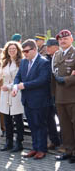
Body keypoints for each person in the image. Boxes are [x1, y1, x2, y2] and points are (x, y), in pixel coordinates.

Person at [12, 39, 51, 159]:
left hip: (39, 100)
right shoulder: (24, 62)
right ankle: (35, 148)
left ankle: (42, 149)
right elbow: (18, 76)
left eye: (27, 51)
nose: (25, 54)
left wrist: (24, 85)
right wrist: (15, 86)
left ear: (34, 50)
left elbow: (42, 80)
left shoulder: (43, 62)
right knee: (32, 125)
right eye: (23, 51)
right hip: (27, 100)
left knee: (40, 125)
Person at [0, 41, 24, 153]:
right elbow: (0, 76)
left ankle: (19, 142)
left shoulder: (21, 62)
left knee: (17, 119)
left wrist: (10, 86)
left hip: (16, 92)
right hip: (5, 94)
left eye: (14, 49)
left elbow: (21, 79)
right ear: (6, 50)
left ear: (18, 50)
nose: (12, 51)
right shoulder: (5, 62)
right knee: (7, 119)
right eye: (10, 49)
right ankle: (8, 142)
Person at [52, 29, 75, 164]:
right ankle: (68, 150)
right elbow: (53, 76)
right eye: (60, 39)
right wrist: (53, 95)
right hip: (60, 97)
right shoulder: (57, 55)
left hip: (73, 97)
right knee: (65, 127)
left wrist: (66, 80)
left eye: (65, 38)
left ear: (71, 39)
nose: (62, 40)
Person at [45, 38, 61, 150]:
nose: (47, 48)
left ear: (56, 46)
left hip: (60, 94)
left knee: (63, 120)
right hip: (48, 95)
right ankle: (54, 140)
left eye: (49, 46)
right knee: (49, 119)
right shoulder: (46, 59)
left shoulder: (61, 58)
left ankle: (65, 143)